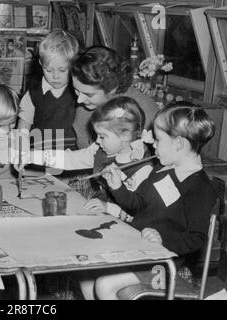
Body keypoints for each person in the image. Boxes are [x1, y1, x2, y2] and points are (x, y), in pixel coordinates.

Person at [83, 102, 216, 300]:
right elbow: (137, 206)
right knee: (86, 272)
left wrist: (163, 239)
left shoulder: (200, 187)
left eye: (158, 139)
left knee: (104, 284)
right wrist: (117, 186)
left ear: (178, 143)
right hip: (137, 247)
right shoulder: (162, 169)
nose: (153, 144)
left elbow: (196, 238)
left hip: (163, 259)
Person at [19, 96, 155, 218]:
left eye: (102, 136)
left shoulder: (143, 168)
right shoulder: (99, 150)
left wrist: (109, 208)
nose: (97, 141)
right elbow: (68, 159)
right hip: (98, 214)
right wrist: (30, 156)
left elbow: (139, 211)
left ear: (125, 135)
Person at [72, 45, 159, 149]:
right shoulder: (85, 104)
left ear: (112, 88)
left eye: (88, 94)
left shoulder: (141, 111)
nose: (79, 99)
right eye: (76, 90)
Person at [18, 29, 80, 150]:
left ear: (73, 65)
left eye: (62, 70)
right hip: (39, 154)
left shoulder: (79, 93)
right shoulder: (33, 94)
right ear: (41, 63)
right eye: (49, 70)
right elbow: (24, 125)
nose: (55, 76)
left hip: (71, 156)